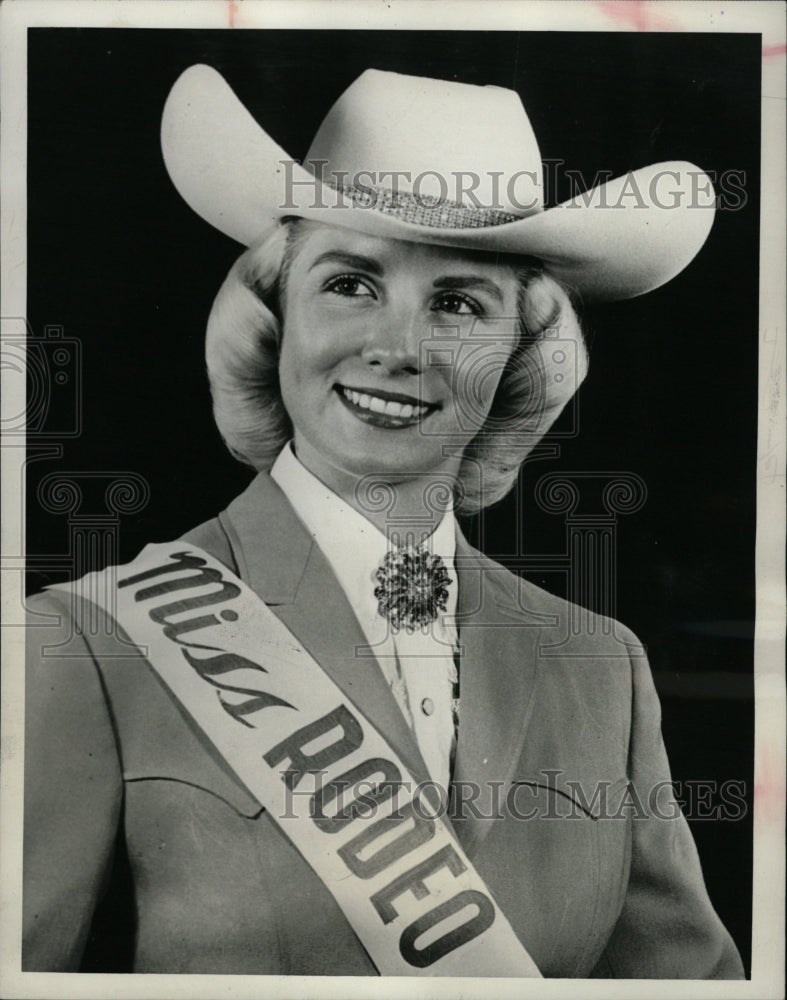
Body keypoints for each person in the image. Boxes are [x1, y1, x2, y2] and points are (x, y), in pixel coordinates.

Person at [23, 64, 744, 978]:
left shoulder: (598, 665)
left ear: (522, 355)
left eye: (457, 304)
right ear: (273, 314)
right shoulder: (87, 643)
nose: (398, 349)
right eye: (351, 284)